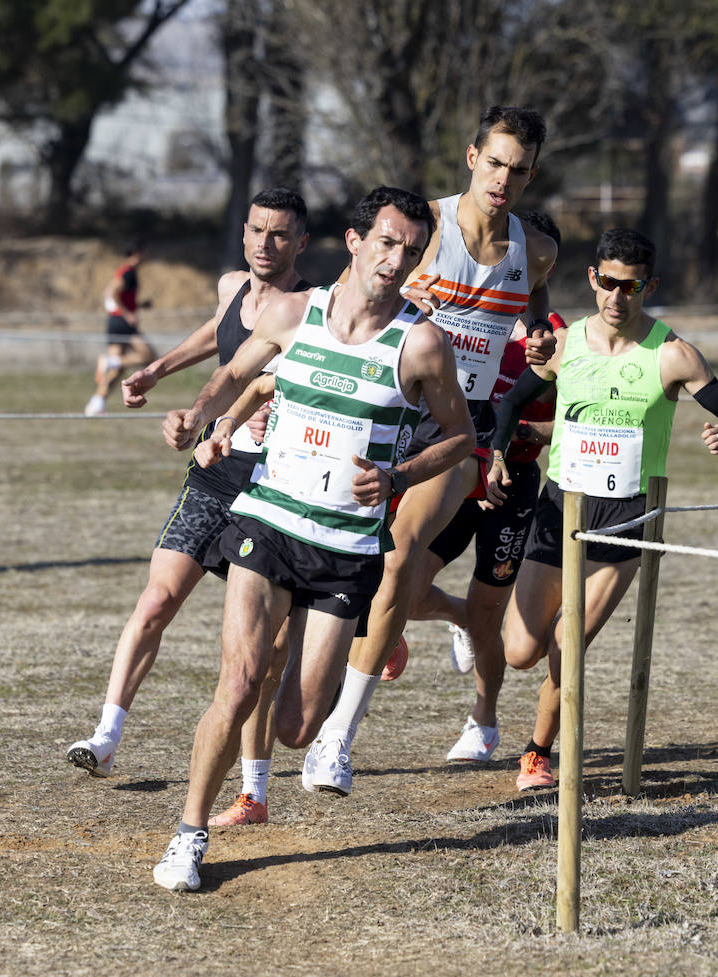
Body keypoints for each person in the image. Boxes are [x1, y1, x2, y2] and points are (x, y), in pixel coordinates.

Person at [151, 186, 476, 891]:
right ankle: (188, 833)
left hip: (345, 548)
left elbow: (461, 438)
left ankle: (335, 672)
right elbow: (238, 372)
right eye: (387, 243)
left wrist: (396, 476)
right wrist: (199, 420)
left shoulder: (420, 343)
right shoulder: (293, 312)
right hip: (268, 521)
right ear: (355, 241)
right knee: (237, 683)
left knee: (297, 725)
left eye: (412, 251)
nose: (397, 260)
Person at [301, 106, 558, 794]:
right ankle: (304, 715)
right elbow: (355, 293)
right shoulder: (429, 228)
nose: (505, 179)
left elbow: (534, 313)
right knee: (350, 566)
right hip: (383, 405)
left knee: (398, 558)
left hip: (456, 425)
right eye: (496, 162)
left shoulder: (536, 249)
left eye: (521, 169)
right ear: (473, 156)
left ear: (533, 174)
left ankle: (336, 739)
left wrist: (534, 341)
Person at [67, 189, 313, 833]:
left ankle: (254, 791)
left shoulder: (312, 309)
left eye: (280, 234)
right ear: (244, 232)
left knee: (265, 649)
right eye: (257, 230)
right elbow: (218, 337)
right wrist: (156, 372)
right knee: (156, 599)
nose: (266, 243)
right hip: (216, 470)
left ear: (301, 243)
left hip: (276, 482)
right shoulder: (233, 284)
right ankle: (106, 737)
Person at [494, 227, 718, 791]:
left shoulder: (672, 355)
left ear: (649, 287)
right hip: (559, 508)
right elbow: (513, 402)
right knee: (519, 650)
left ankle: (538, 753)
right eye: (609, 284)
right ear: (593, 280)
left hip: (627, 520)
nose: (618, 298)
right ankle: (536, 720)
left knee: (569, 643)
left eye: (631, 287)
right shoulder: (567, 347)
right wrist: (496, 452)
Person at [406, 211, 566, 763]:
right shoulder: (470, 315)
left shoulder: (556, 339)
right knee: (401, 587)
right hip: (456, 471)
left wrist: (517, 432)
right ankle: (453, 618)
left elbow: (572, 422)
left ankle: (484, 721)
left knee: (487, 615)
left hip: (512, 483)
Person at [86, 241, 156, 416]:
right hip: (121, 323)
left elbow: (116, 296)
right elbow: (111, 293)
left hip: (115, 321)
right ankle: (110, 361)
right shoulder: (129, 272)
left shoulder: (125, 270)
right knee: (149, 356)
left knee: (117, 370)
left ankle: (96, 403)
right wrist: (127, 314)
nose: (147, 255)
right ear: (137, 252)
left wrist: (139, 306)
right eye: (145, 251)